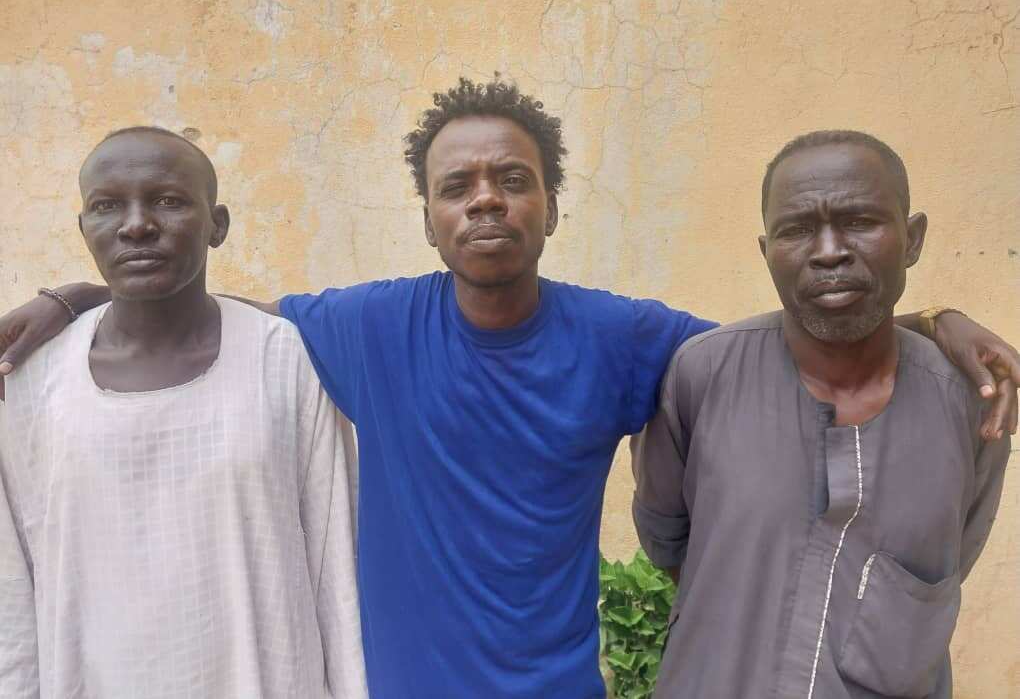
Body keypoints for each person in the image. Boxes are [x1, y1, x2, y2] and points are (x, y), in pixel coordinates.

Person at [0, 82, 1017, 698]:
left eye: (513, 178)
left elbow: (808, 329)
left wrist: (935, 321)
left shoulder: (628, 339)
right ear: (430, 216)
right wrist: (74, 294)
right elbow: (189, 298)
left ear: (551, 204)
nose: (486, 198)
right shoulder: (362, 326)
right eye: (458, 186)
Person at [632, 130, 1011, 698]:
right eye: (797, 229)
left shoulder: (967, 401)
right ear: (766, 253)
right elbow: (669, 540)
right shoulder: (702, 376)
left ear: (912, 239)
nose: (829, 250)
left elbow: (954, 554)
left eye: (860, 221)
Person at [0, 127, 367, 698]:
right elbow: (11, 596)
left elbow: (334, 569)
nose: (137, 224)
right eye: (107, 206)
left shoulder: (286, 358)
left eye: (168, 200)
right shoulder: (29, 385)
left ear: (217, 224)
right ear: (83, 230)